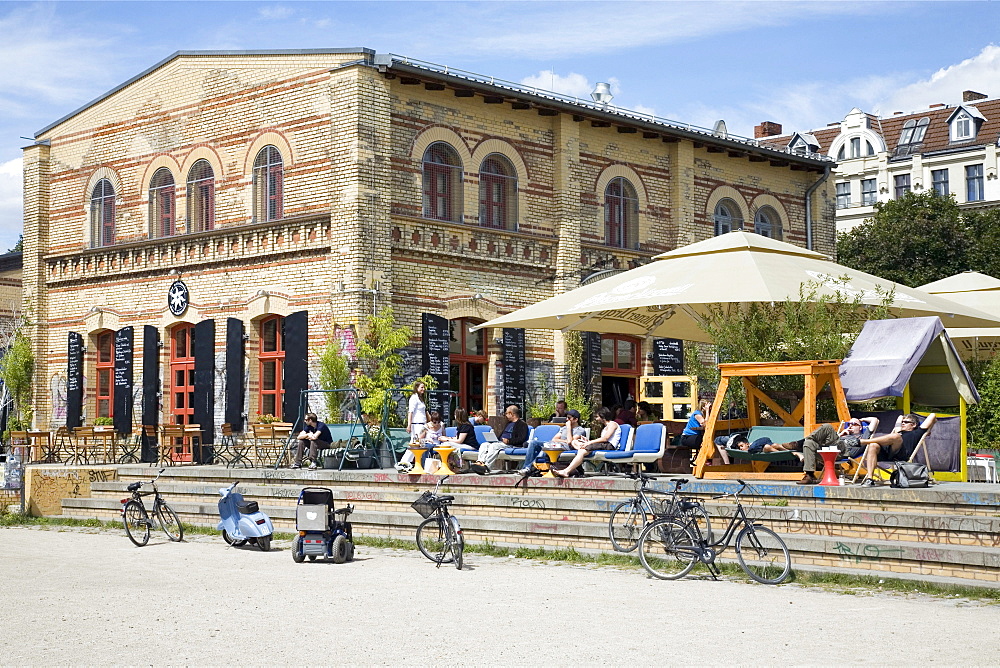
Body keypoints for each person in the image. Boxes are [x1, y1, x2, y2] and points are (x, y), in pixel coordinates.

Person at [767, 416, 881, 485]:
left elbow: (875, 420)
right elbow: (831, 441)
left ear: (860, 427)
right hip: (829, 451)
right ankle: (809, 475)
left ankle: (798, 444)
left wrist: (860, 420)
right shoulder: (843, 435)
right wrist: (840, 434)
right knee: (809, 443)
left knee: (827, 427)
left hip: (844, 451)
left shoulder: (864, 435)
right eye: (849, 423)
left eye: (854, 424)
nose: (850, 425)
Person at [858, 413, 936, 487]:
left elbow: (932, 415)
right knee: (873, 445)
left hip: (902, 455)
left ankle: (864, 442)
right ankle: (870, 479)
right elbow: (899, 417)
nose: (902, 423)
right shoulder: (899, 431)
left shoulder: (917, 432)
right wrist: (902, 417)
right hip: (888, 453)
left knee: (896, 436)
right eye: (902, 422)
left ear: (914, 425)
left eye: (906, 422)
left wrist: (931, 425)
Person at [516, 409, 586, 476]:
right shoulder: (563, 428)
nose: (567, 419)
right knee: (533, 443)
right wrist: (565, 440)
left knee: (544, 451)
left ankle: (532, 468)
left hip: (564, 448)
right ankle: (527, 468)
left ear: (576, 419)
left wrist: (568, 428)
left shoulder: (580, 430)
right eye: (566, 417)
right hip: (554, 445)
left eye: (569, 418)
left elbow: (570, 442)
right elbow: (554, 439)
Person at [554, 407, 620, 478]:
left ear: (602, 416)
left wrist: (589, 443)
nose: (596, 419)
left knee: (581, 451)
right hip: (604, 444)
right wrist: (587, 442)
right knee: (575, 442)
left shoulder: (612, 424)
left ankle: (566, 471)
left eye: (597, 417)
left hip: (609, 446)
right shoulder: (605, 427)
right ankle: (580, 449)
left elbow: (605, 438)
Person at [470, 405, 528, 475]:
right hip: (501, 443)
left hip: (511, 445)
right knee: (484, 445)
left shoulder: (522, 424)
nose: (505, 415)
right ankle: (480, 462)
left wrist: (509, 441)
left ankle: (487, 467)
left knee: (494, 446)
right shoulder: (508, 424)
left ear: (511, 414)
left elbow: (521, 439)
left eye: (506, 413)